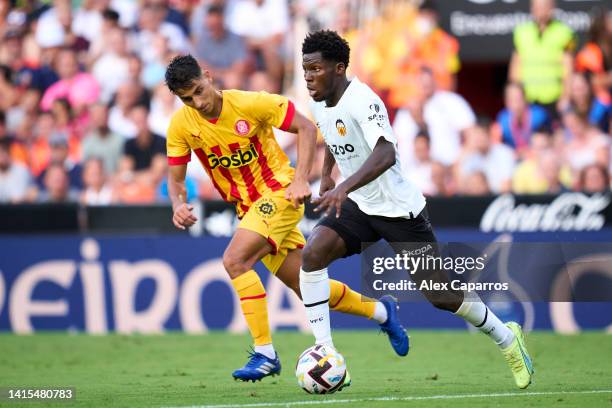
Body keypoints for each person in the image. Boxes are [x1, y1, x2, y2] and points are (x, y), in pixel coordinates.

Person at [300, 30, 534, 390]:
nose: (308, 76)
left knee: (440, 295)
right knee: (313, 252)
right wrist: (329, 175)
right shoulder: (320, 100)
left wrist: (344, 186)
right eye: (305, 70)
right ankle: (326, 351)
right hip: (360, 204)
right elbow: (332, 134)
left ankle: (507, 338)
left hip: (398, 210)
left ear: (339, 68)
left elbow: (385, 153)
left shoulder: (364, 100)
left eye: (315, 69)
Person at [164, 54, 406, 382]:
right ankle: (382, 311)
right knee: (306, 287)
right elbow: (176, 180)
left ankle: (265, 353)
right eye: (186, 98)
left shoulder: (251, 104)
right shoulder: (181, 125)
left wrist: (301, 178)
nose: (197, 102)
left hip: (280, 191)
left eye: (197, 90)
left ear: (208, 76)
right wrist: (178, 203)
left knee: (235, 260)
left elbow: (305, 127)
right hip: (249, 209)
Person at [509, 0, 575, 117]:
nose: (540, 10)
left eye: (544, 6)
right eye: (536, 6)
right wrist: (515, 96)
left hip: (554, 97)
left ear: (552, 7)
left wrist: (566, 96)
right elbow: (515, 67)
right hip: (527, 99)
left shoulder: (564, 32)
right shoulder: (522, 32)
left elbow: (569, 69)